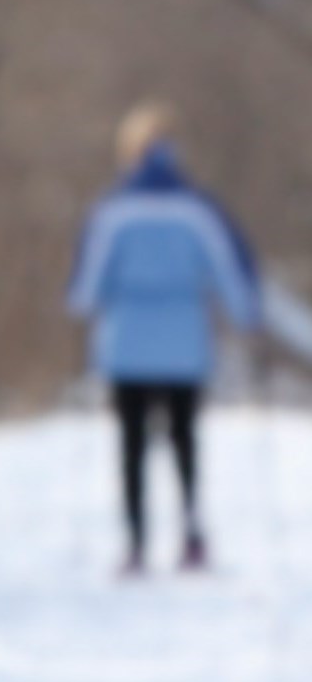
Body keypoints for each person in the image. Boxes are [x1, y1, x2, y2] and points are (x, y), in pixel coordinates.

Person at [67, 103, 261, 574]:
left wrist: (93, 305)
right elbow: (233, 277)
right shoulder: (198, 209)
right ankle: (192, 535)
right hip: (184, 344)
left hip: (126, 345)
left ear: (129, 153)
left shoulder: (111, 211)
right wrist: (245, 315)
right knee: (184, 440)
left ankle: (135, 544)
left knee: (132, 444)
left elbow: (85, 291)